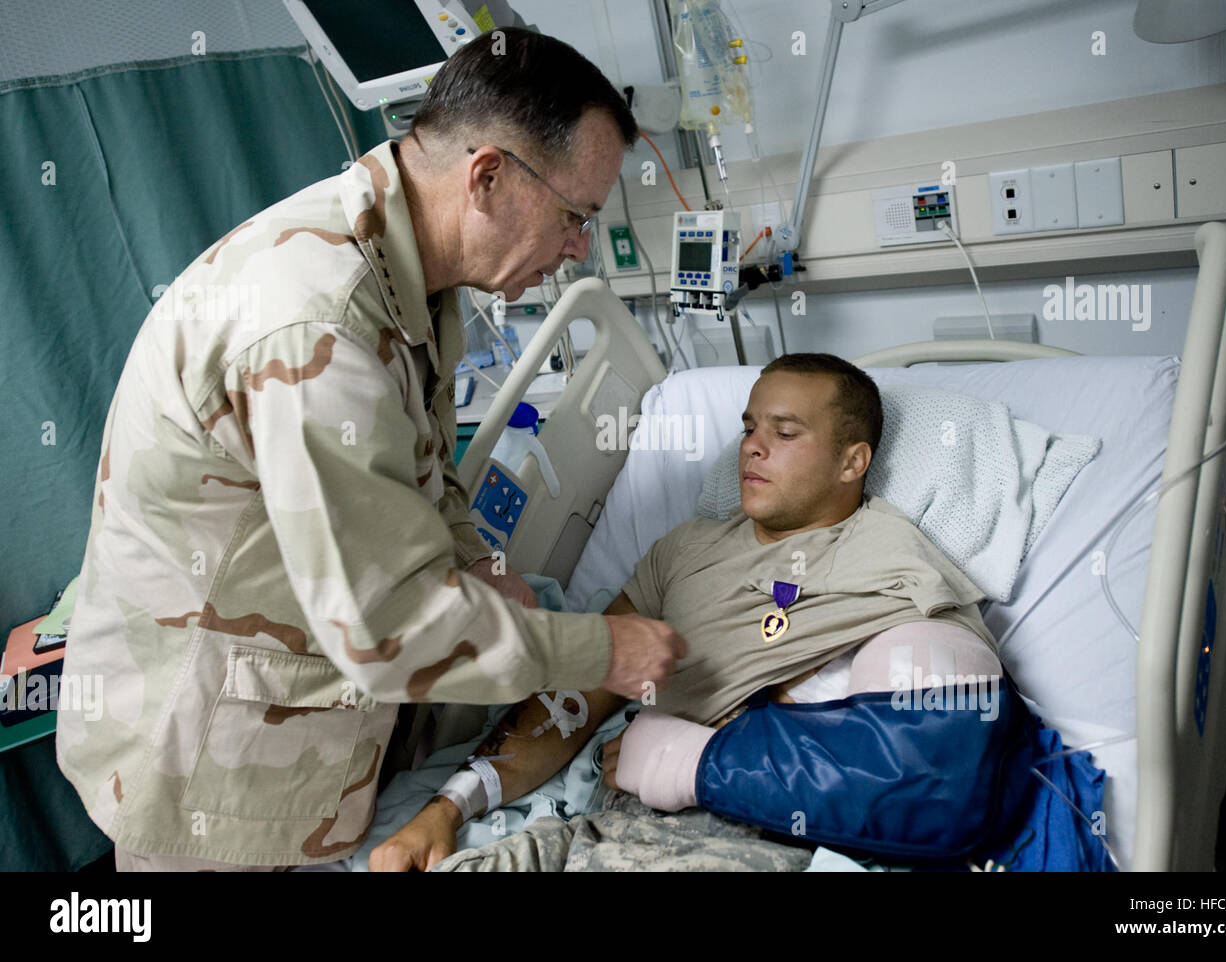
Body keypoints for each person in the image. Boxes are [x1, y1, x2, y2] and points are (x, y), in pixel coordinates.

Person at [55, 28, 685, 872]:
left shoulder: (415, 275)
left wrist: (477, 559)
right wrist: (606, 650)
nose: (578, 248)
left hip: (313, 696)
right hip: (209, 757)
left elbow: (425, 467)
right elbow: (390, 628)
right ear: (489, 177)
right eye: (575, 217)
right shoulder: (316, 323)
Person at [369, 353, 1007, 872]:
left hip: (756, 834)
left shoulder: (895, 562)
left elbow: (931, 769)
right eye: (750, 427)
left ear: (853, 462)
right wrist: (448, 809)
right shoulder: (684, 551)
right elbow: (576, 694)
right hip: (611, 826)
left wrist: (699, 759)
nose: (752, 448)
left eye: (784, 434)